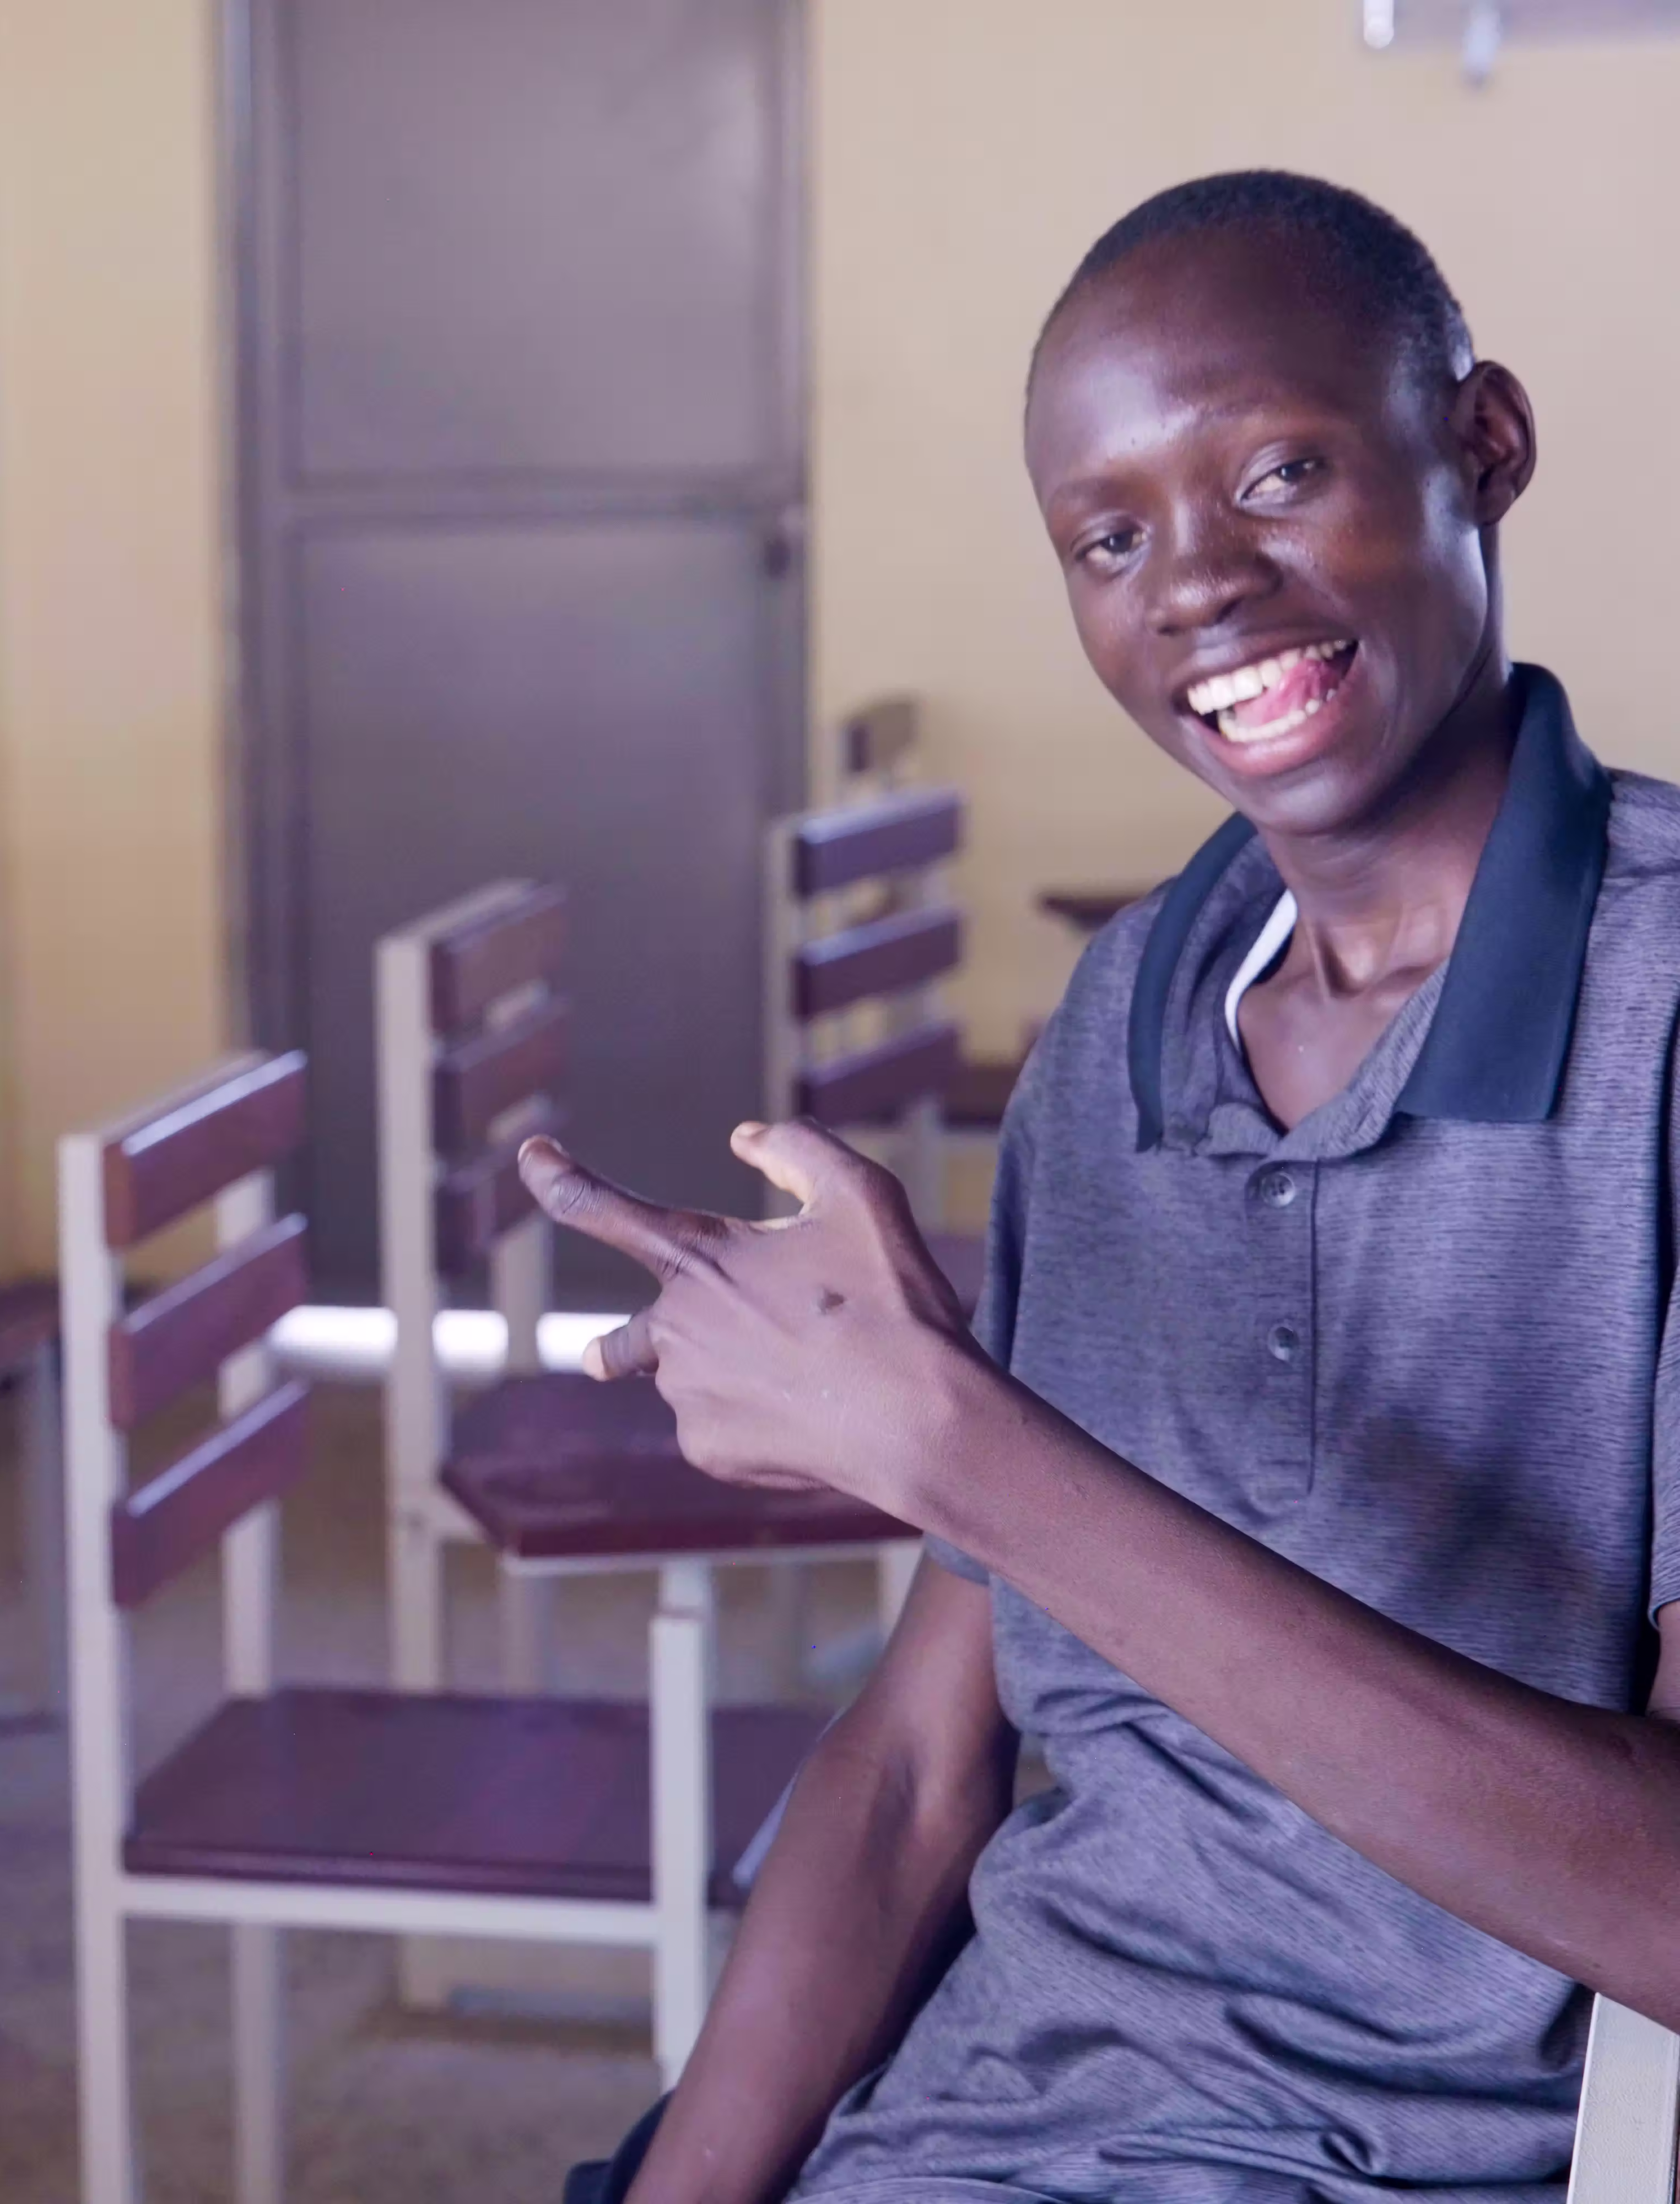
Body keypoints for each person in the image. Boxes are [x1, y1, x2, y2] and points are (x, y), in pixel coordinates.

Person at [533, 171, 1680, 2203]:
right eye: (1111, 538)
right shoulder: (1129, 1017)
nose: (1199, 586)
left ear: (1482, 446)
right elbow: (910, 1771)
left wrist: (958, 1446)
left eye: (1282, 472)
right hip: (989, 2126)